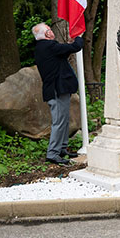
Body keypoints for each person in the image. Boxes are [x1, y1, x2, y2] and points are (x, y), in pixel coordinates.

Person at [32, 23, 84, 166]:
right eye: (49, 29)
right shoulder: (48, 46)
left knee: (64, 119)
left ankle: (62, 149)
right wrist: (78, 37)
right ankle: (53, 153)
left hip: (59, 88)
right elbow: (75, 47)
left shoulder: (44, 48)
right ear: (46, 34)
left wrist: (69, 44)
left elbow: (61, 54)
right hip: (56, 90)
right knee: (59, 122)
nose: (51, 31)